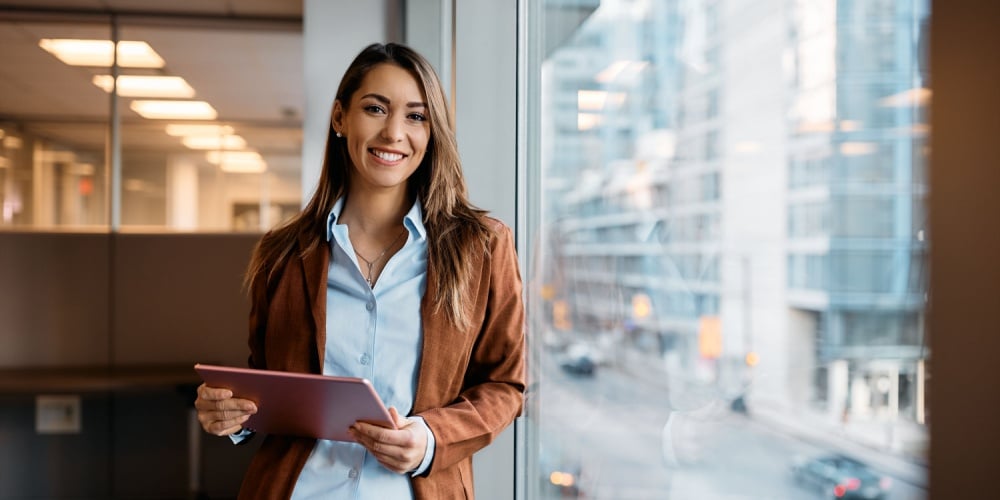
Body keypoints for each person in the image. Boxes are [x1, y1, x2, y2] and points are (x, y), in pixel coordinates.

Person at [194, 42, 526, 499]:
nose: (394, 132)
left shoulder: (482, 247)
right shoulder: (283, 254)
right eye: (375, 108)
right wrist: (231, 415)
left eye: (416, 116)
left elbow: (506, 385)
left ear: (432, 133)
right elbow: (268, 382)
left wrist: (431, 438)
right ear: (339, 118)